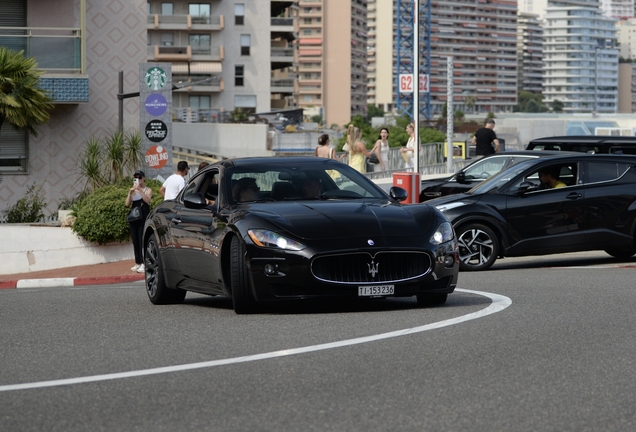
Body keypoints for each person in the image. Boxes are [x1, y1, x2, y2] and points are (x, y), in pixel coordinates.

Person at [125, 170, 152, 273]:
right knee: (135, 240)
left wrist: (140, 189)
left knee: (142, 239)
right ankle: (138, 262)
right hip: (134, 218)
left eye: (140, 178)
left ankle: (144, 263)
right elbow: (127, 204)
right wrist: (130, 193)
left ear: (143, 178)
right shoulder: (133, 191)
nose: (138, 180)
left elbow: (147, 200)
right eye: (136, 178)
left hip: (143, 217)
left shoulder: (147, 190)